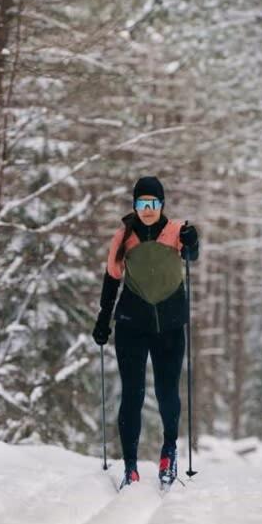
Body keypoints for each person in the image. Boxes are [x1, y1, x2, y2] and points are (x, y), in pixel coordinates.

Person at [92, 176, 199, 488]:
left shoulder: (178, 230)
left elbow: (191, 255)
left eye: (153, 203)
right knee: (133, 395)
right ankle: (130, 467)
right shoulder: (124, 235)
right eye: (142, 203)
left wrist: (193, 242)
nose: (148, 209)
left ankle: (169, 451)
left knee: (167, 393)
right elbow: (112, 278)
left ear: (162, 204)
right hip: (131, 324)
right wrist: (103, 319)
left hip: (169, 325)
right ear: (135, 205)